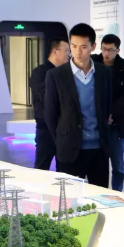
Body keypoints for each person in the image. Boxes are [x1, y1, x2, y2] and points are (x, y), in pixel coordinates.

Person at [45, 23, 113, 187]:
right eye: (74, 46)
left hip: (99, 149)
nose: (78, 52)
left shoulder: (104, 73)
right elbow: (50, 115)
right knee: (70, 196)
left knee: (100, 195)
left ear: (93, 47)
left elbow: (106, 106)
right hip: (70, 149)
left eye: (83, 47)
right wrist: (63, 139)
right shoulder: (56, 75)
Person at [91, 34, 124, 191]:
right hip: (95, 121)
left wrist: (111, 113)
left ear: (118, 50)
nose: (106, 53)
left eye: (110, 50)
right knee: (95, 164)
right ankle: (96, 192)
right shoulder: (92, 62)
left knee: (118, 166)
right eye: (104, 49)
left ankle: (117, 194)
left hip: (116, 122)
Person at [29, 38, 70, 170]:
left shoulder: (67, 73)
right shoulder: (39, 73)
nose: (69, 54)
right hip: (45, 128)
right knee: (42, 167)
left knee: (65, 169)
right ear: (55, 51)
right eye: (66, 50)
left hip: (64, 129)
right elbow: (45, 97)